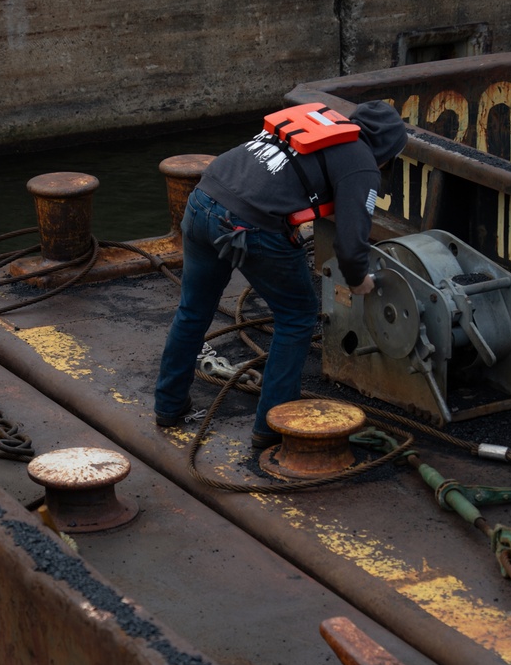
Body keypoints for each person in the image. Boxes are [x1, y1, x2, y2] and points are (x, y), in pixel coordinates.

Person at [153, 100, 407, 450]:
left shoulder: (320, 127)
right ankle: (272, 426)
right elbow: (351, 246)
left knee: (194, 310)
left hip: (202, 200)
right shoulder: (361, 161)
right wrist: (359, 279)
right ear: (387, 150)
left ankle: (168, 406)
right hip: (249, 226)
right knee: (298, 316)